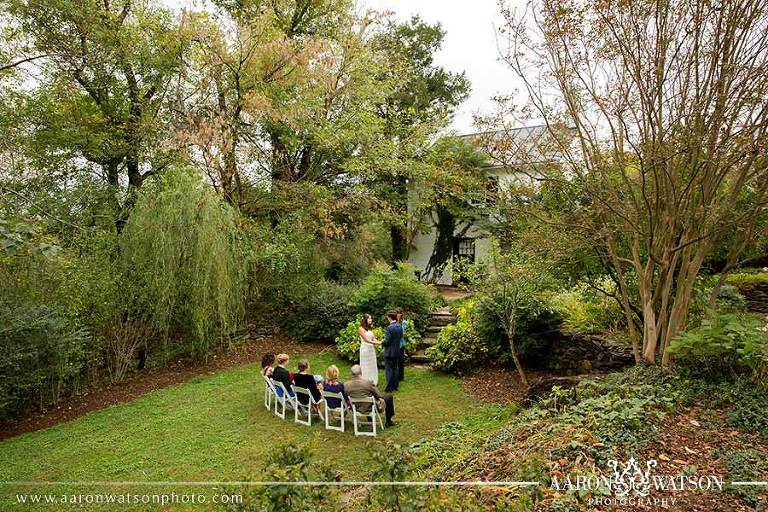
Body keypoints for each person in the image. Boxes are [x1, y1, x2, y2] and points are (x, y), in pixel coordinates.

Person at [381, 310, 403, 393]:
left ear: (389, 317)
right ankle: (395, 386)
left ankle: (389, 388)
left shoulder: (389, 328)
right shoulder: (399, 326)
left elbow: (387, 341)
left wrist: (382, 341)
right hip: (397, 351)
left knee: (389, 370)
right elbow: (400, 337)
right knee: (396, 369)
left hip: (389, 352)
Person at [358, 314, 381, 385]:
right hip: (365, 349)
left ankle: (372, 379)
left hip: (371, 349)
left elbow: (373, 338)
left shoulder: (369, 328)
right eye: (369, 318)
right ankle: (365, 380)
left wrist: (380, 341)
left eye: (371, 318)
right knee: (365, 364)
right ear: (365, 320)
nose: (371, 320)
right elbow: (366, 340)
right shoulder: (360, 329)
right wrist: (377, 343)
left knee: (372, 364)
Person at [395, 308, 408, 382]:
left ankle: (400, 376)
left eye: (398, 313)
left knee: (400, 361)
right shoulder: (393, 322)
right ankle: (395, 375)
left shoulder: (404, 323)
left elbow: (401, 332)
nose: (397, 315)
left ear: (401, 314)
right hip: (394, 344)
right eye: (396, 313)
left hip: (401, 344)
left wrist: (398, 322)